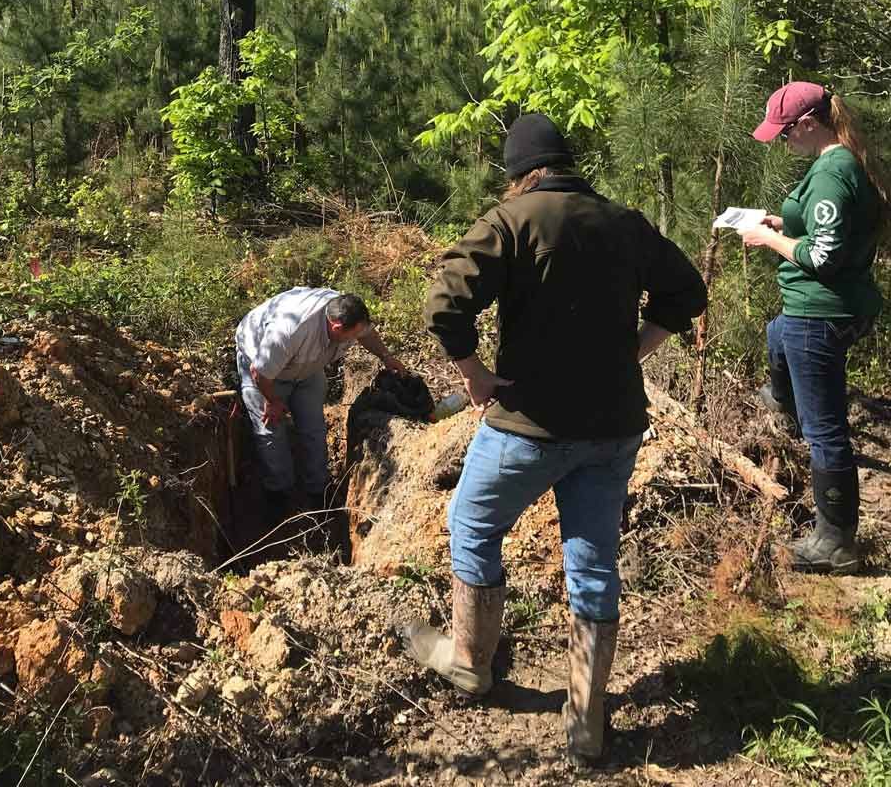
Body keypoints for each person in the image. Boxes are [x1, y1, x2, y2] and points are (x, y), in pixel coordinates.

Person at [403, 113, 707, 767]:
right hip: (613, 427)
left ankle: (469, 664)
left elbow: (445, 303)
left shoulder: (511, 220)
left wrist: (474, 374)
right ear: (565, 163)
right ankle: (586, 719)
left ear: (520, 173)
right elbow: (687, 290)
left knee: (472, 525)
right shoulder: (623, 222)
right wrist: (634, 350)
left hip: (530, 425)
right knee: (592, 563)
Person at [741, 82, 887, 575]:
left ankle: (836, 542)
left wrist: (767, 240)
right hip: (822, 310)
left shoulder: (830, 173)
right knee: (776, 335)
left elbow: (824, 258)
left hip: (820, 313)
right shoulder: (843, 161)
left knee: (825, 432)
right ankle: (783, 396)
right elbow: (832, 232)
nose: (783, 142)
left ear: (808, 124)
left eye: (785, 133)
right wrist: (784, 224)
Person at [236, 287, 406, 525]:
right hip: (265, 373)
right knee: (271, 432)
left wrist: (386, 357)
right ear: (336, 328)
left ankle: (318, 491)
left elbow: (367, 334)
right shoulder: (289, 331)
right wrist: (273, 401)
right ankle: (278, 494)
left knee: (314, 428)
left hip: (307, 368)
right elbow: (259, 372)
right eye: (353, 335)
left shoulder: (347, 311)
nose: (358, 338)